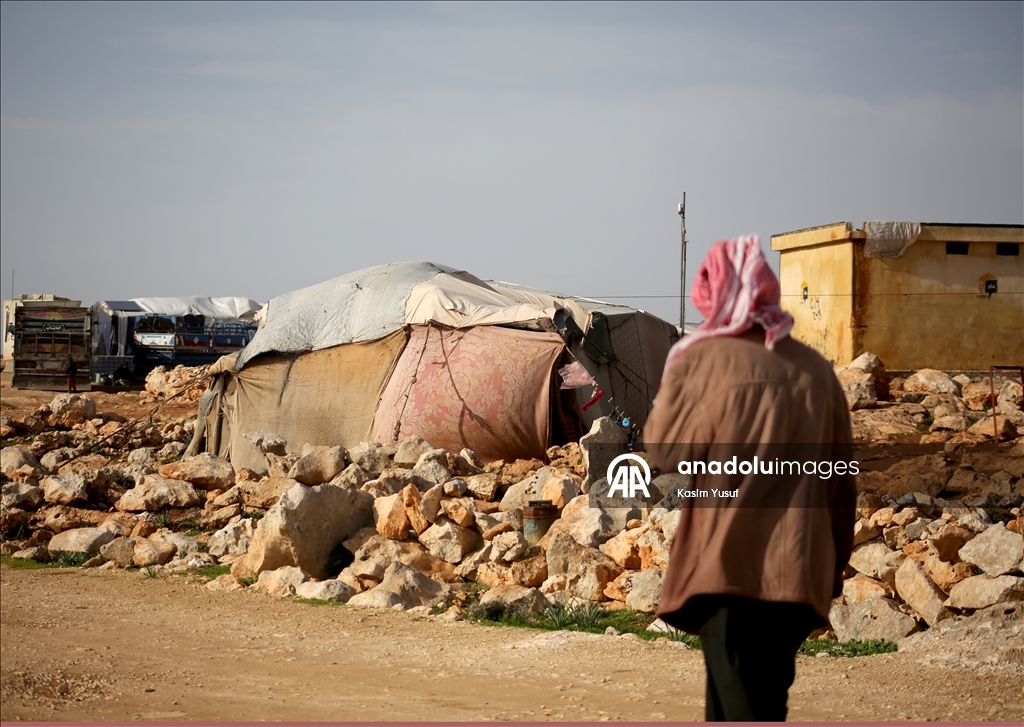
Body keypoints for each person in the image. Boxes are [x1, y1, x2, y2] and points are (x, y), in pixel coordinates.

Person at [644, 235, 856, 722]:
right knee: (758, 702)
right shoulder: (818, 371)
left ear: (710, 292)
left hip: (729, 571)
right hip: (799, 574)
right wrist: (833, 567)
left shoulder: (701, 361)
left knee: (738, 706)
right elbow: (841, 484)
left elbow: (665, 450)